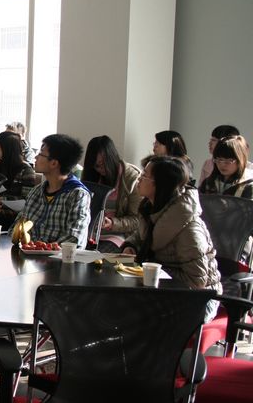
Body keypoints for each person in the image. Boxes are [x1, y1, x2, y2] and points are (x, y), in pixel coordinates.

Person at [122, 156, 222, 321]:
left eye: (144, 175)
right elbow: (142, 235)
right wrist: (130, 246)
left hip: (200, 301)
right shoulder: (150, 208)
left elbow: (196, 283)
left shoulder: (188, 229)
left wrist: (153, 269)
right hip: (166, 291)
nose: (138, 178)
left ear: (160, 184)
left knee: (133, 314)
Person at [14, 134, 91, 247]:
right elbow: (17, 226)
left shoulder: (78, 195)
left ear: (54, 163)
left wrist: (43, 249)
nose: (35, 157)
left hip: (58, 257)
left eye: (40, 154)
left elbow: (74, 239)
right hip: (28, 253)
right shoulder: (36, 191)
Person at [81, 135, 143, 249]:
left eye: (104, 164)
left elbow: (137, 220)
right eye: (97, 166)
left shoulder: (131, 178)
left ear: (112, 158)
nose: (101, 169)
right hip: (90, 234)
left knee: (98, 255)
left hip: (118, 236)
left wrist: (112, 223)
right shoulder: (92, 177)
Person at [0, 131, 37, 228]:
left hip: (14, 218)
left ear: (6, 148)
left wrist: (1, 201)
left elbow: (27, 199)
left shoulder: (26, 170)